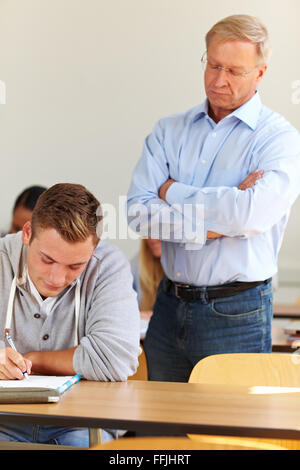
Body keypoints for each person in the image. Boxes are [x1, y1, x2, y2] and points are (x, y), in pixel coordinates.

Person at [127, 14, 300, 383]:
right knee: (160, 427)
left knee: (229, 433)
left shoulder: (279, 141)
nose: (219, 80)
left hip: (237, 310)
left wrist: (172, 191)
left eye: (234, 71)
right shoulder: (168, 131)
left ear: (261, 73)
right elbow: (139, 214)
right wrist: (220, 220)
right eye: (214, 64)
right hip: (168, 305)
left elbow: (249, 217)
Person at [0, 183, 140, 446]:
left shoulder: (107, 266)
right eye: (47, 259)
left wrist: (31, 360)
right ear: (27, 232)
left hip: (81, 422)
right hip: (5, 420)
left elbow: (115, 359)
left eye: (75, 266)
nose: (56, 278)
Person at [131, 238, 163, 339]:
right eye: (147, 231)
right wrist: (135, 315)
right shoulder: (136, 265)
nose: (151, 239)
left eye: (158, 232)